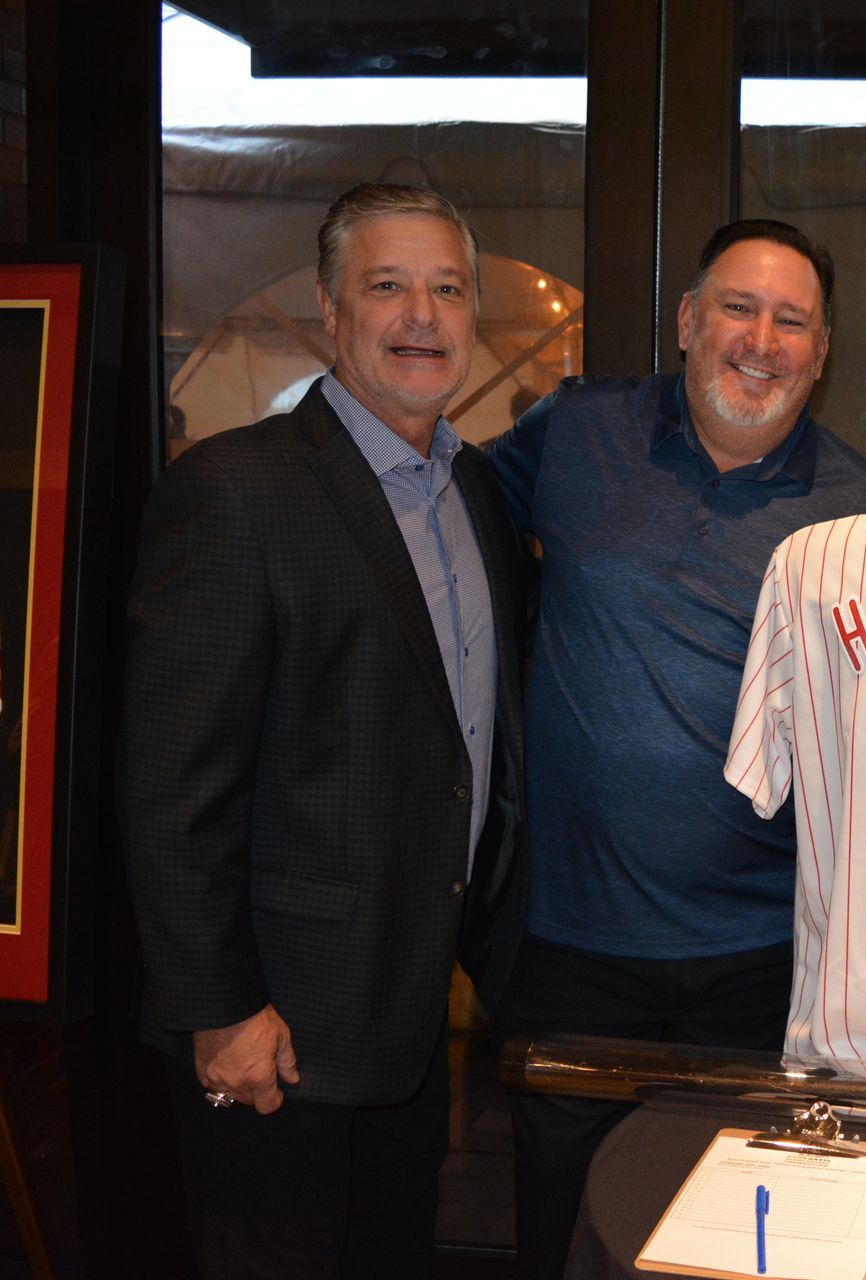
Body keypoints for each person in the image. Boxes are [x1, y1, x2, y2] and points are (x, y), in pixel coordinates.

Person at [120, 182, 526, 1277]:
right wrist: (220, 1006)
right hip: (278, 1031)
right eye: (386, 285)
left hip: (408, 1021)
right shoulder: (237, 491)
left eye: (447, 288)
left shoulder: (474, 492)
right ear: (330, 308)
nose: (421, 315)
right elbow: (170, 786)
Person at [487, 218, 866, 1278]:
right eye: (738, 306)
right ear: (687, 320)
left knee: (733, 1244)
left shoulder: (864, 514)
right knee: (562, 1234)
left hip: (760, 965)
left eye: (791, 320)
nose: (761, 339)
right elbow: (441, 534)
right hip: (569, 945)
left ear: (822, 348)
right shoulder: (575, 434)